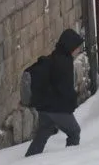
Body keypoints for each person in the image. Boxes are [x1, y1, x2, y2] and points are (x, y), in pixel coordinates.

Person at [25, 29, 85, 157]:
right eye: (77, 47)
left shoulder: (55, 56)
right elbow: (65, 89)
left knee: (44, 132)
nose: (79, 50)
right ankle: (70, 159)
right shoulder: (64, 63)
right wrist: (72, 103)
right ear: (70, 46)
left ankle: (29, 159)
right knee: (74, 131)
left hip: (44, 106)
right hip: (56, 108)